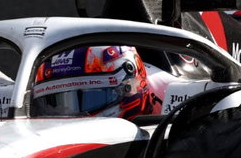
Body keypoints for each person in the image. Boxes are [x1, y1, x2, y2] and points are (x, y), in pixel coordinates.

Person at [30, 45, 165, 119]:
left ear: (129, 89)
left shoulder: (172, 95)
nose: (71, 116)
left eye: (90, 99)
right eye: (55, 105)